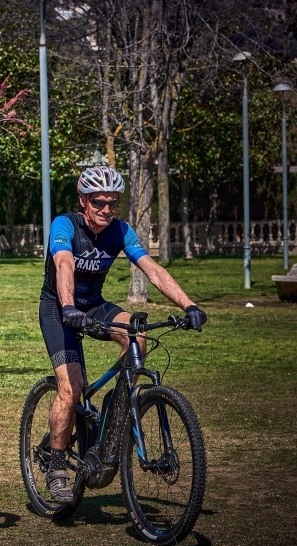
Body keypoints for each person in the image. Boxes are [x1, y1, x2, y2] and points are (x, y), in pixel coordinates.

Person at [39, 165, 207, 504]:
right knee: (70, 390)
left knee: (137, 334)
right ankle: (56, 466)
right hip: (59, 310)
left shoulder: (121, 230)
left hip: (94, 304)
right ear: (83, 200)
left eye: (113, 203)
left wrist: (189, 305)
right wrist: (69, 307)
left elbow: (153, 270)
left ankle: (117, 408)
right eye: (99, 202)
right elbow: (64, 265)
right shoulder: (64, 225)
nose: (106, 210)